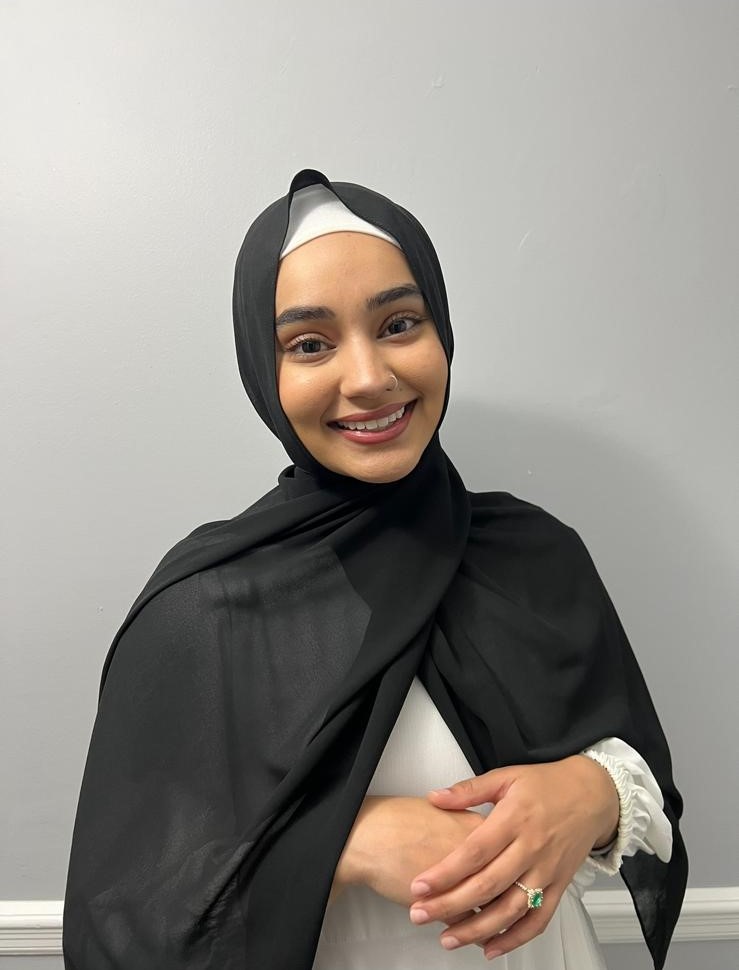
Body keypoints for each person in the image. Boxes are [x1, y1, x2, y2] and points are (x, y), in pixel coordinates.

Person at [62, 168, 687, 970]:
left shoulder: (533, 554)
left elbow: (641, 778)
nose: (367, 378)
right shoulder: (206, 608)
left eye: (398, 324)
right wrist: (345, 842)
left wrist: (591, 793)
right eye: (310, 344)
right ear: (263, 370)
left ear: (441, 332)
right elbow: (127, 914)